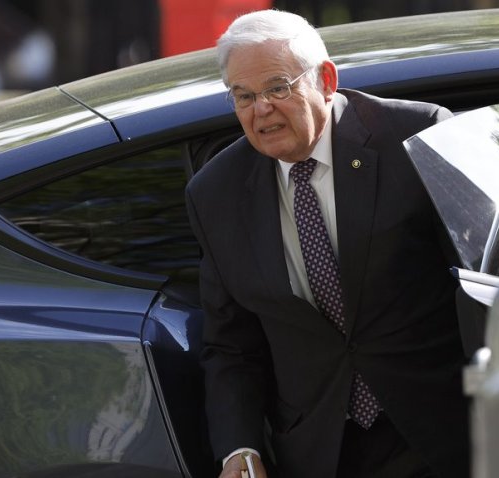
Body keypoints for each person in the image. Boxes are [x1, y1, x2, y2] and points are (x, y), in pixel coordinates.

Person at [185, 9, 470, 478]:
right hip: (321, 450)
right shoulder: (216, 193)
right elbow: (231, 345)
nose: (261, 110)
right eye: (244, 96)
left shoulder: (416, 136)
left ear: (326, 79)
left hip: (442, 431)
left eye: (278, 87)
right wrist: (239, 448)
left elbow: (492, 279)